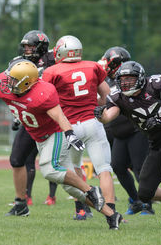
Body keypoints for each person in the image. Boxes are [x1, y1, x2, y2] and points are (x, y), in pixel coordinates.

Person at [0, 60, 122, 229]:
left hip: (54, 134)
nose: (7, 82)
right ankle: (111, 215)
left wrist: (70, 134)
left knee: (49, 169)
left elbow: (60, 116)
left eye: (13, 80)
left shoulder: (43, 93)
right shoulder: (5, 86)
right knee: (69, 187)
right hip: (38, 137)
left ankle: (91, 190)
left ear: (26, 83)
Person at [95, 61, 161, 231]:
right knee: (145, 193)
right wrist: (101, 116)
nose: (125, 83)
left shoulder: (155, 86)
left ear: (139, 78)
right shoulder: (118, 97)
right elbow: (109, 116)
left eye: (129, 79)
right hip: (156, 144)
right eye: (122, 80)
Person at [42, 35, 116, 220]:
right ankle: (112, 212)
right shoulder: (93, 66)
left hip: (69, 128)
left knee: (75, 167)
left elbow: (46, 101)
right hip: (93, 123)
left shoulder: (52, 71)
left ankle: (82, 209)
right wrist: (92, 103)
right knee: (103, 168)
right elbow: (107, 97)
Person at [7, 30, 58, 209]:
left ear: (41, 46)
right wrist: (17, 115)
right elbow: (13, 91)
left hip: (54, 118)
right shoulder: (18, 63)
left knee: (58, 166)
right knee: (17, 160)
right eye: (26, 46)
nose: (27, 49)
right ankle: (21, 202)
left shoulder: (55, 59)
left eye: (31, 46)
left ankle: (81, 206)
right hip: (31, 119)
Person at [99, 47, 152, 215]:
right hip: (119, 132)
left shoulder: (132, 80)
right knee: (118, 166)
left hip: (135, 130)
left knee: (139, 169)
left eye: (108, 63)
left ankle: (147, 204)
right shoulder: (108, 81)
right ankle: (136, 200)